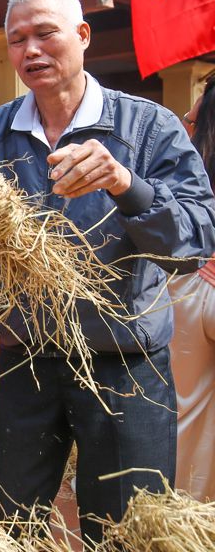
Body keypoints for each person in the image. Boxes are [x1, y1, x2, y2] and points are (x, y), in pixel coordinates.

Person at [0, 0, 215, 545]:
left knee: (127, 531)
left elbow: (196, 237)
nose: (31, 50)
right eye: (17, 39)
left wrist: (128, 185)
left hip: (124, 367)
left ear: (83, 35)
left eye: (46, 33)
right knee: (15, 523)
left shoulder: (148, 128)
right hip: (27, 361)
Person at [169, 77, 215, 502]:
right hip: (197, 283)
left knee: (188, 410)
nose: (184, 124)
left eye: (191, 118)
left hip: (194, 285)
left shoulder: (184, 166)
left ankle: (186, 512)